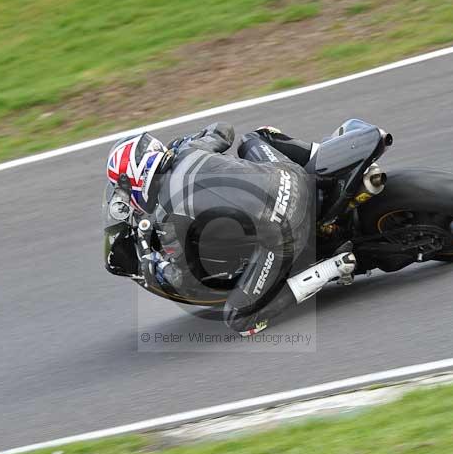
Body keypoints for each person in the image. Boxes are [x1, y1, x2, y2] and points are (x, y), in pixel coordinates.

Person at [103, 122, 356, 335]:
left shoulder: (170, 217)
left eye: (123, 186)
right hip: (293, 175)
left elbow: (184, 279)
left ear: (137, 177)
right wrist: (185, 140)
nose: (124, 194)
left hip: (285, 230)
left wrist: (154, 267)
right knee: (255, 137)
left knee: (239, 320)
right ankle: (329, 160)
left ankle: (333, 267)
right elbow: (224, 131)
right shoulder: (189, 149)